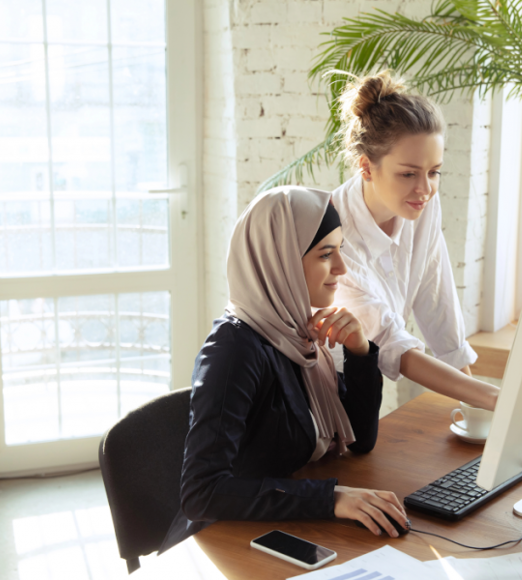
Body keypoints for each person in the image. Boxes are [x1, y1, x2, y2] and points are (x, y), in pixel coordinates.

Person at [161, 186, 407, 551]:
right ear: (282, 260)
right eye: (326, 254)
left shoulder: (299, 333)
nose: (341, 268)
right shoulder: (233, 350)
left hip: (277, 529)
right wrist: (331, 499)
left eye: (341, 250)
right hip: (222, 544)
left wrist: (359, 351)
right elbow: (203, 492)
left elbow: (360, 440)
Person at [329, 71, 499, 411]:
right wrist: (495, 398)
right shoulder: (331, 234)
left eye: (434, 172)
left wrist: (478, 411)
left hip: (363, 399)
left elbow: (436, 301)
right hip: (321, 402)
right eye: (408, 174)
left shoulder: (420, 206)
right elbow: (392, 344)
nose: (425, 189)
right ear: (366, 167)